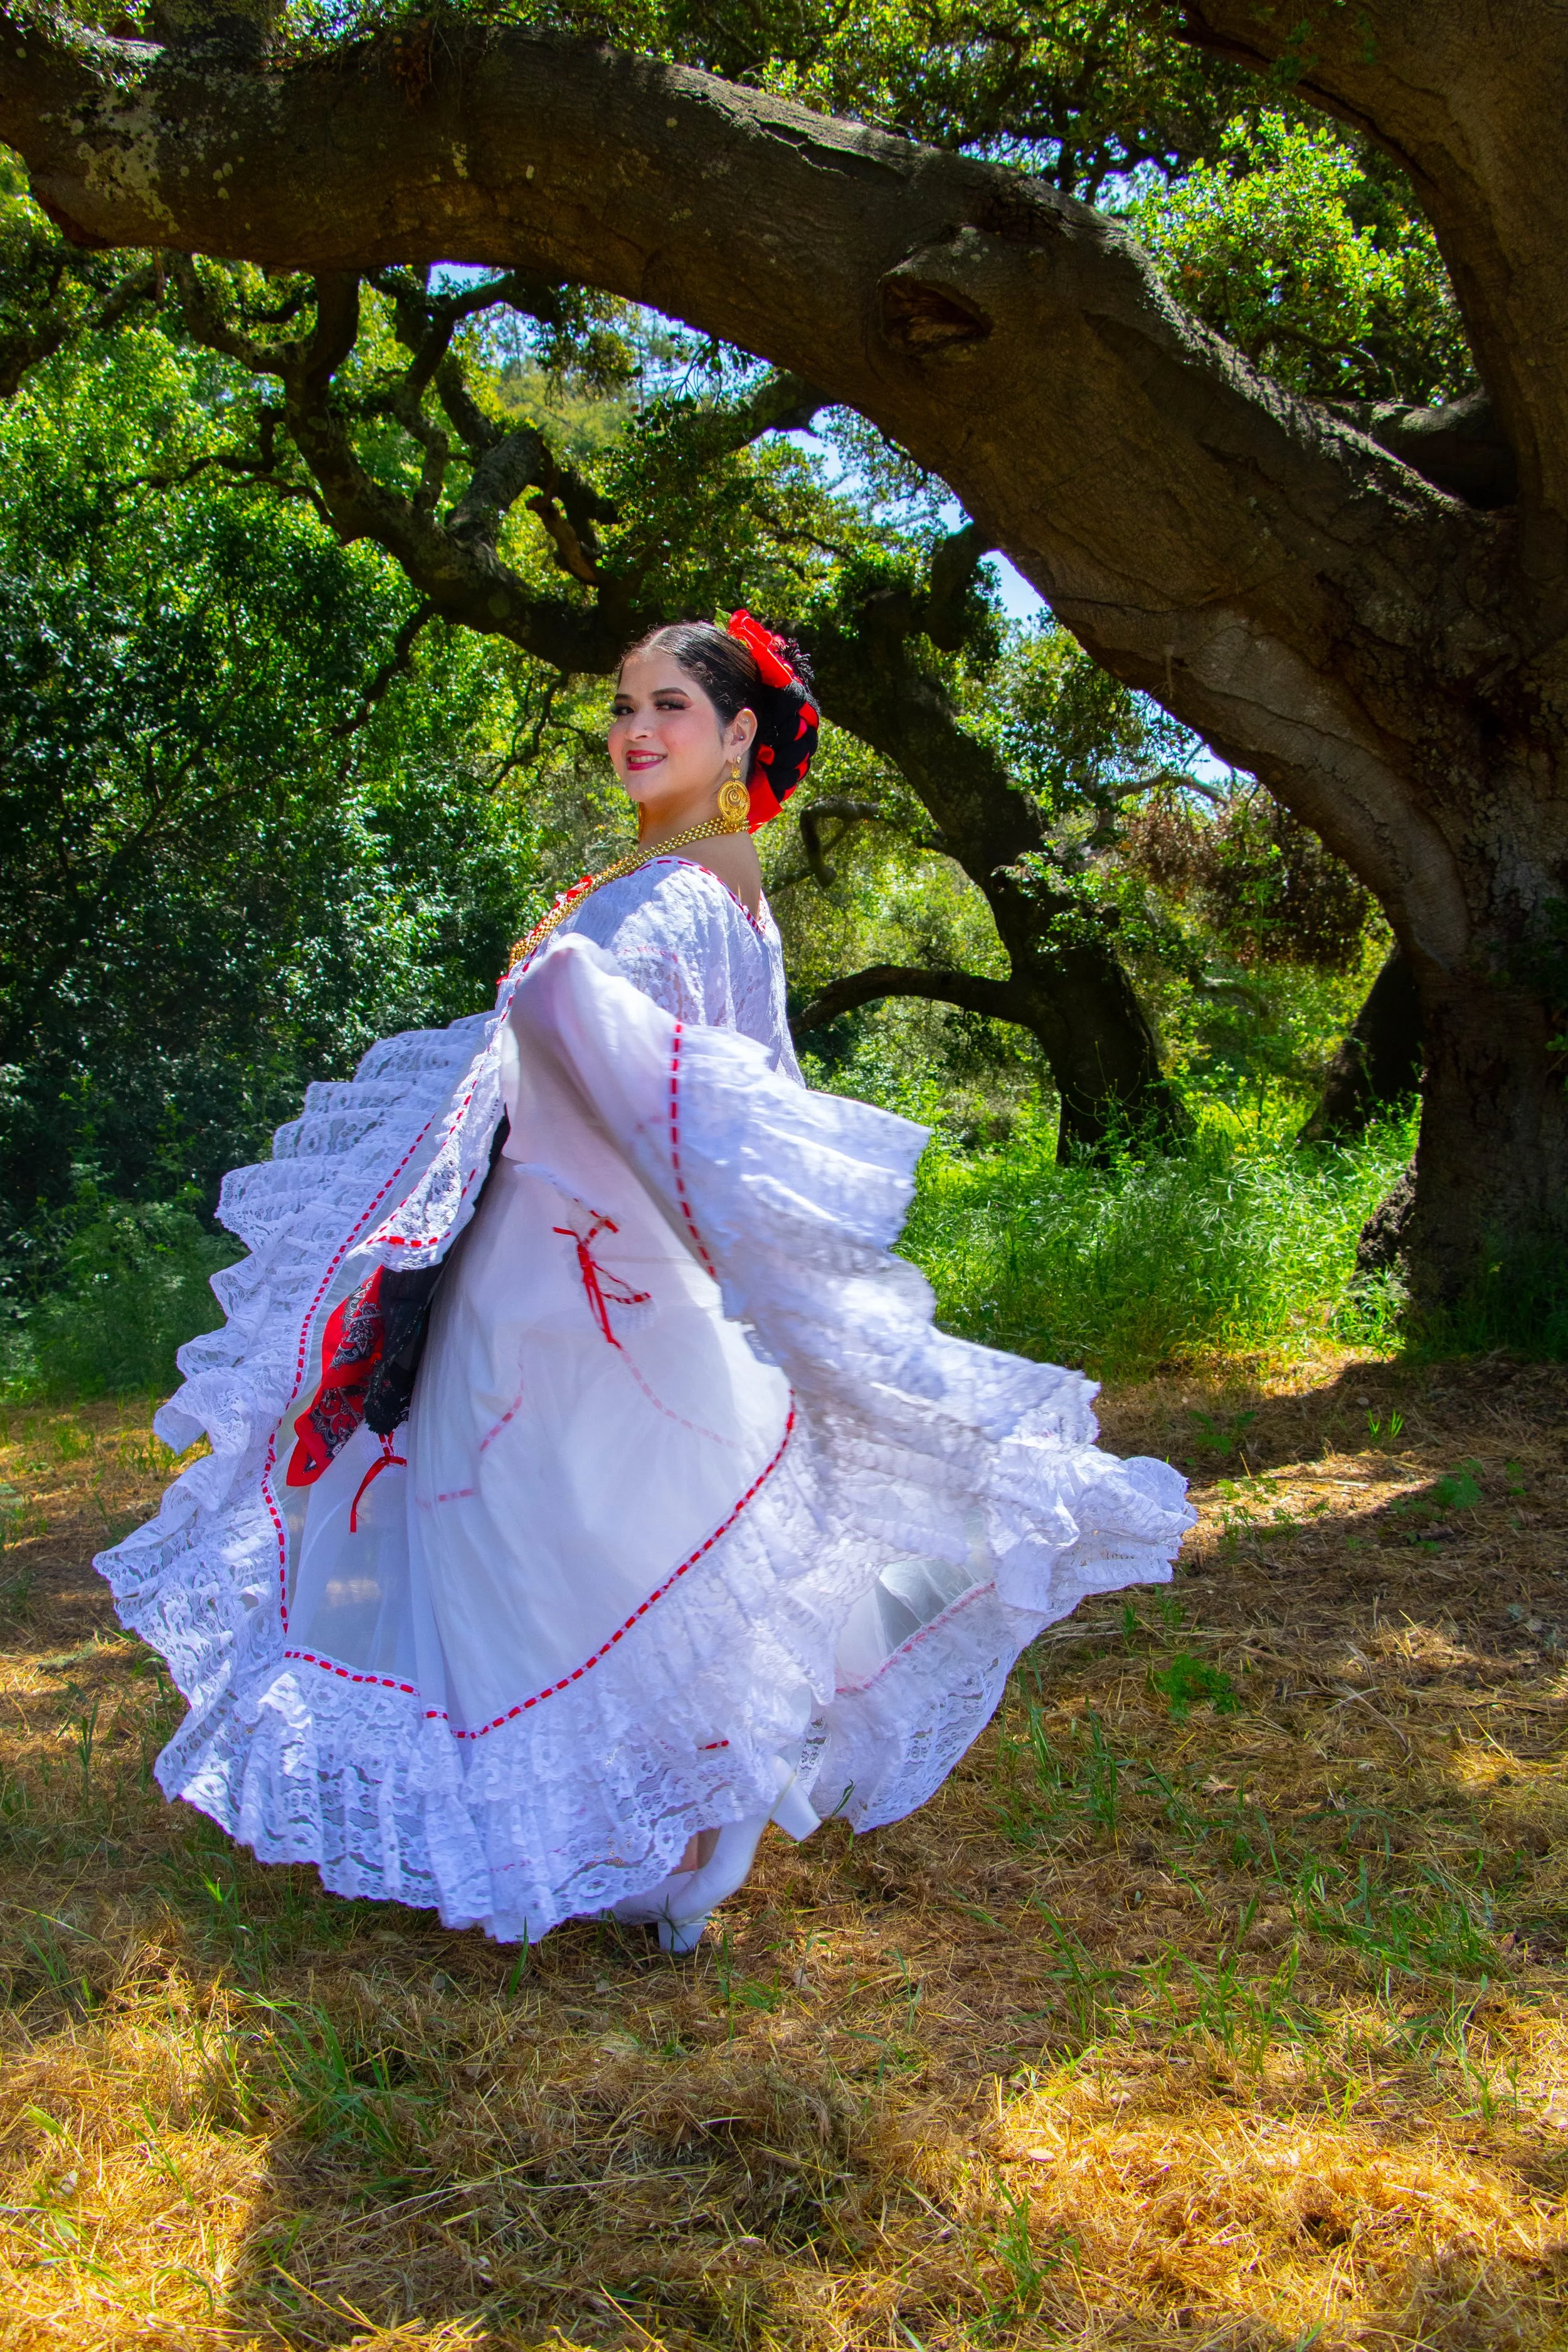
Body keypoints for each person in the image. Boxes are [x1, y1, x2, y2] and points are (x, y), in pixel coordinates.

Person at [99, 612, 1192, 1954]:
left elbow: (694, 1079)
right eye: (623, 705)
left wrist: (582, 1027)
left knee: (574, 1538)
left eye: (670, 705)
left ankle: (648, 1839)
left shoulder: (672, 898)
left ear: (739, 735)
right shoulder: (710, 892)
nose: (634, 729)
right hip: (574, 1263)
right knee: (590, 1536)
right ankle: (647, 1836)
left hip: (577, 1273)